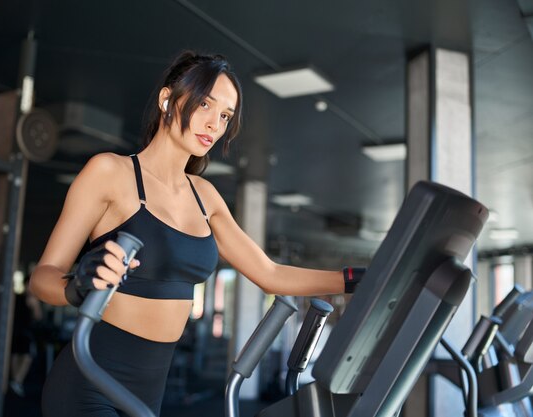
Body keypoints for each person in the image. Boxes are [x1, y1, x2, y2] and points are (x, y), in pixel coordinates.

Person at [30, 50, 364, 417]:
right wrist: (76, 284)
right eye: (206, 104)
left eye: (225, 116)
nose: (214, 124)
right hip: (89, 381)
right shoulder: (110, 173)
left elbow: (270, 275)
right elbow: (42, 278)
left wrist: (356, 280)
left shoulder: (205, 196)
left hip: (149, 392)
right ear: (167, 99)